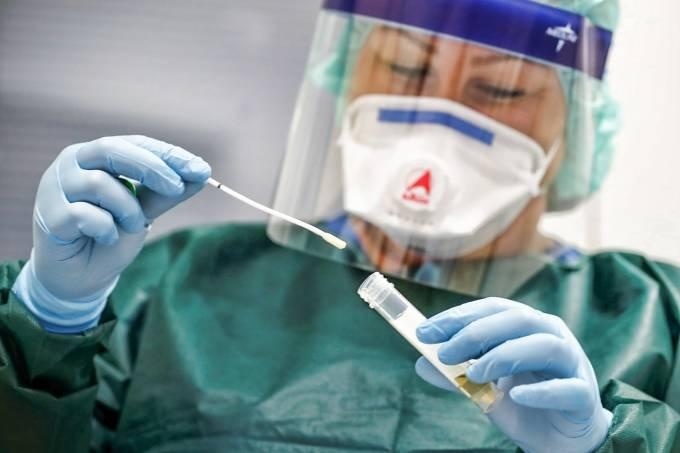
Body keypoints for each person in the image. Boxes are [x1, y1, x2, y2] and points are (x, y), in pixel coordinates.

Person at [1, 0, 679, 451]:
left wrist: (607, 443)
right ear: (347, 71)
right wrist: (49, 322)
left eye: (500, 88)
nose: (435, 113)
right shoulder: (170, 288)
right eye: (406, 68)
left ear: (578, 123)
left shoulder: (656, 321)